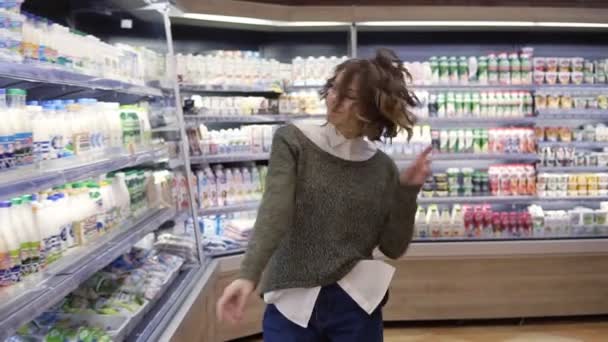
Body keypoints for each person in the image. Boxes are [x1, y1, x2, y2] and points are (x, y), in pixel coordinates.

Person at [217, 48, 431, 342]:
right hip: (292, 300)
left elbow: (393, 246)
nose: (334, 99)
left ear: (370, 108)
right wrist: (248, 274)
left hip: (355, 305)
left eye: (349, 96)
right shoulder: (294, 141)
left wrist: (407, 191)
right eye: (333, 88)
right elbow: (274, 210)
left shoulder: (382, 168)